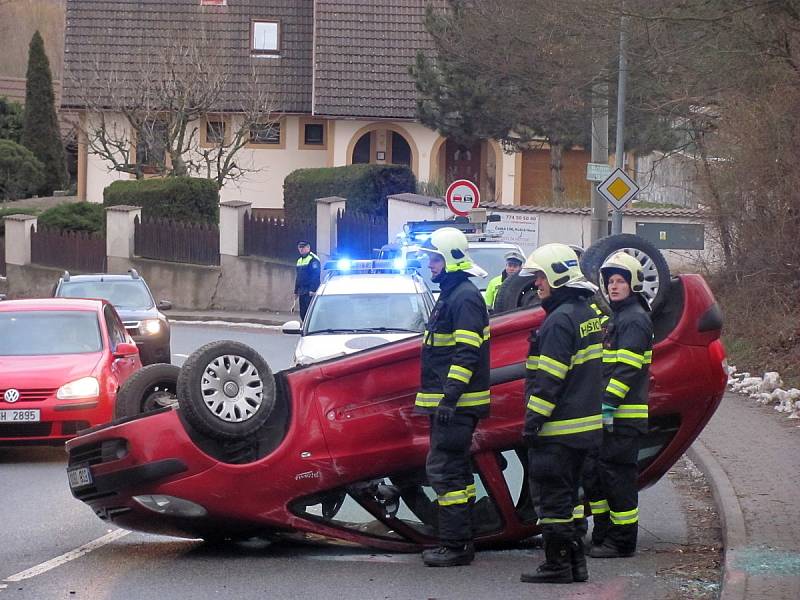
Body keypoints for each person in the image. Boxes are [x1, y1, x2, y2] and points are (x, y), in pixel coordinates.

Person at [519, 243, 603, 584]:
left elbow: (549, 379)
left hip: (558, 431)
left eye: (540, 276)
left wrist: (532, 422)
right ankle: (575, 565)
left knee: (553, 501)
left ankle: (557, 565)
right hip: (584, 430)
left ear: (555, 276)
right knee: (570, 500)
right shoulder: (586, 314)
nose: (537, 283)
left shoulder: (559, 321)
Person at [415, 227, 491, 567]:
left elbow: (466, 354)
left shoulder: (463, 297)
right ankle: (462, 538)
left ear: (449, 259)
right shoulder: (453, 294)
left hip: (455, 405)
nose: (430, 264)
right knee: (456, 471)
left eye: (434, 258)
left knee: (445, 470)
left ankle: (455, 545)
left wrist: (449, 398)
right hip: (452, 403)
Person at [587, 251, 653, 559]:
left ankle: (622, 541)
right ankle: (604, 534)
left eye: (620, 281)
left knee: (619, 480)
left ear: (633, 284)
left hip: (623, 417)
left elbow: (627, 369)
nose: (614, 287)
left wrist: (608, 404)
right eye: (610, 281)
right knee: (603, 476)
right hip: (614, 416)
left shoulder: (635, 319)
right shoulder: (620, 317)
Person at [294, 240, 320, 321]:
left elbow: (315, 275)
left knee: (310, 312)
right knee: (303, 313)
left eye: (303, 247)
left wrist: (313, 289)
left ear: (308, 248)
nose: (301, 249)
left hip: (309, 291)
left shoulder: (313, 259)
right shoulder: (299, 260)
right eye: (300, 248)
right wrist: (296, 291)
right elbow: (298, 277)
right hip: (302, 290)